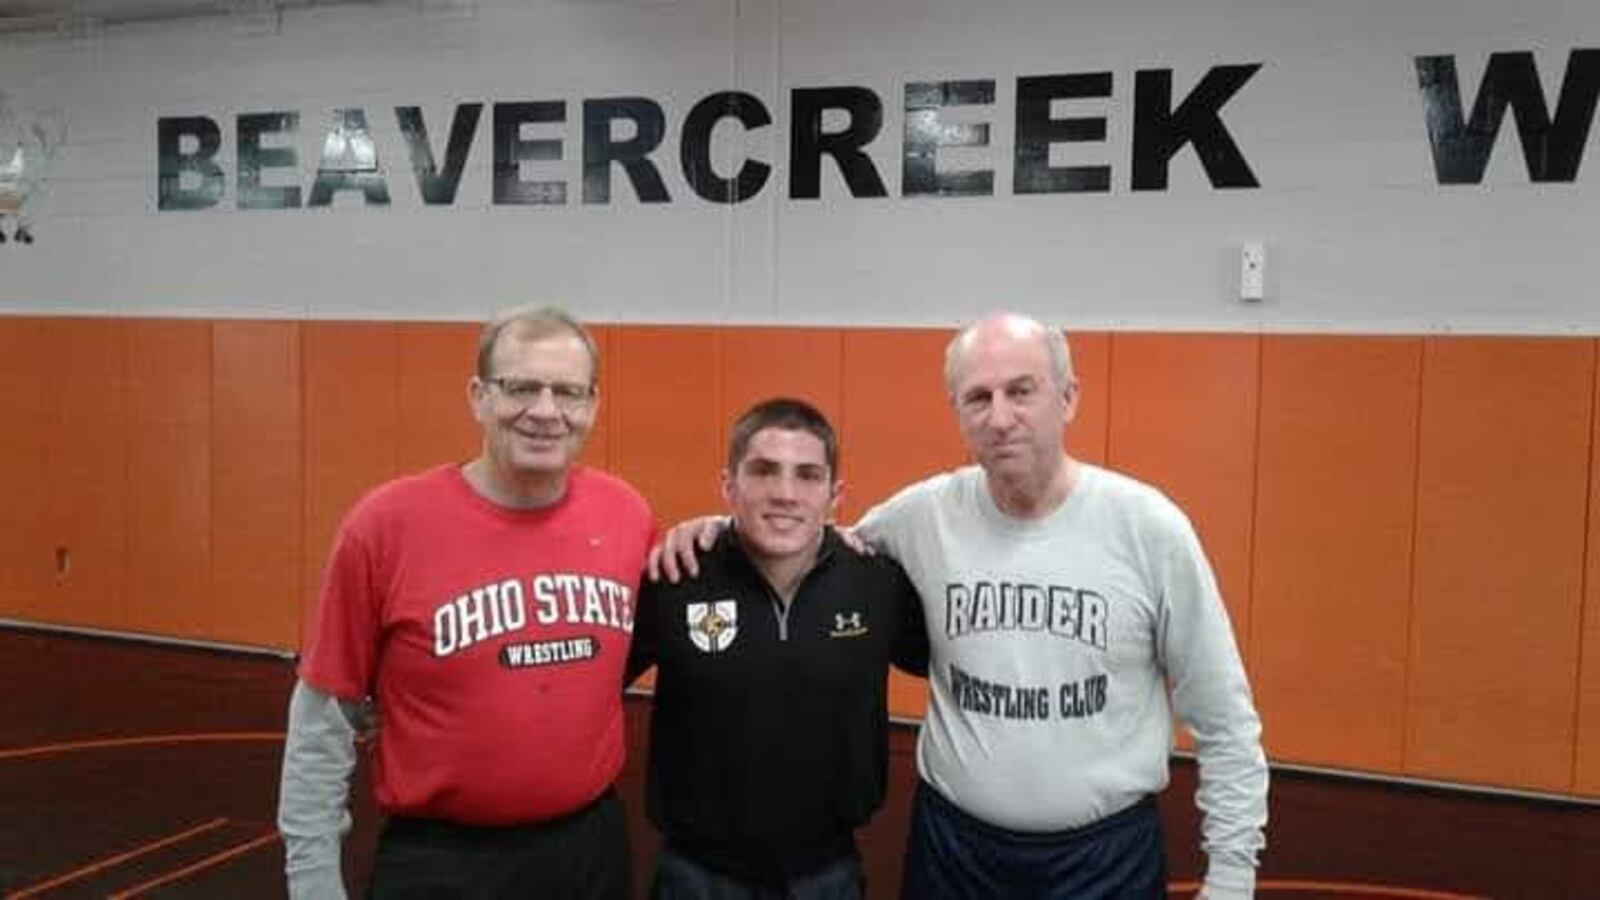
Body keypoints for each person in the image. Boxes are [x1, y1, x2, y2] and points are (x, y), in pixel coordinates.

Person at [654, 312, 1268, 899]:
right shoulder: (920, 516)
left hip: (1102, 859)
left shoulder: (1148, 528)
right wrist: (725, 529)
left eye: (1020, 391)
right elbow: (809, 536)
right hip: (955, 852)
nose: (1000, 418)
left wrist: (1235, 874)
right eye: (978, 398)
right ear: (958, 413)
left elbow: (1224, 718)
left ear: (1068, 398)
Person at [278, 306, 654, 899]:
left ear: (592, 405)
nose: (546, 411)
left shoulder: (627, 515)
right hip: (443, 861)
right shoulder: (386, 525)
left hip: (589, 851)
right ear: (478, 396)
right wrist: (313, 882)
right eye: (521, 387)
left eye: (568, 392)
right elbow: (322, 720)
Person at [628, 398, 928, 900]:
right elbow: (591, 688)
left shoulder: (878, 585)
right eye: (764, 471)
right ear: (729, 485)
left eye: (807, 475)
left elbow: (948, 663)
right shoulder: (675, 577)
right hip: (696, 874)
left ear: (835, 496)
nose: (785, 493)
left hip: (827, 873)